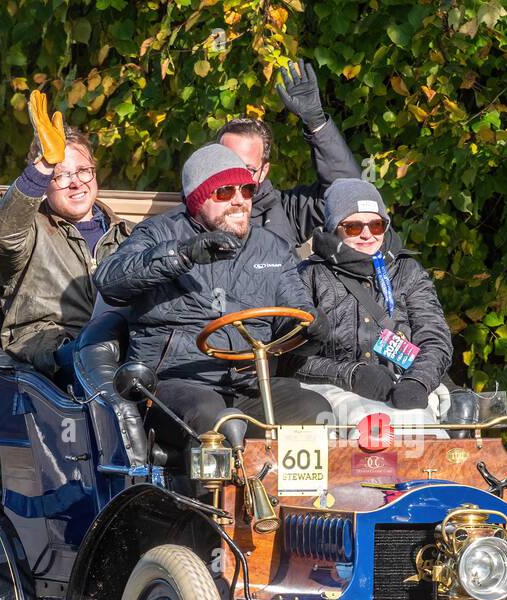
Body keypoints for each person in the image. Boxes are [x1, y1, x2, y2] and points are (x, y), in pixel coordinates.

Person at [92, 143, 332, 436]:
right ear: (197, 199)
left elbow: (294, 321)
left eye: (247, 190)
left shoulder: (273, 248)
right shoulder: (159, 233)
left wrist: (313, 329)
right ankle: (209, 484)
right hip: (174, 382)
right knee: (213, 417)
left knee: (314, 409)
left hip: (248, 383)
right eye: (224, 192)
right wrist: (183, 255)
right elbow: (110, 281)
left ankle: (288, 483)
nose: (238, 200)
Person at [0, 90, 130, 376]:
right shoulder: (33, 229)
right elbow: (1, 238)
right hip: (49, 352)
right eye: (61, 175)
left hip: (120, 349)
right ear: (44, 184)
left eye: (83, 171)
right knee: (95, 357)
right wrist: (44, 165)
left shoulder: (130, 235)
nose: (76, 183)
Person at [285, 179, 452, 411]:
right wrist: (353, 374)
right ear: (334, 228)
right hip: (336, 392)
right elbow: (290, 356)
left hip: (407, 385)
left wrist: (417, 381)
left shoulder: (408, 270)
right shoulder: (309, 274)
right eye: (353, 227)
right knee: (366, 423)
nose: (367, 235)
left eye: (376, 225)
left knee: (422, 426)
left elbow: (435, 339)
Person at [216, 60, 360, 249]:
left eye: (248, 169)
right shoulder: (194, 215)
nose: (236, 178)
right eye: (229, 165)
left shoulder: (284, 211)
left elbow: (348, 191)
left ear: (264, 170)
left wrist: (317, 123)